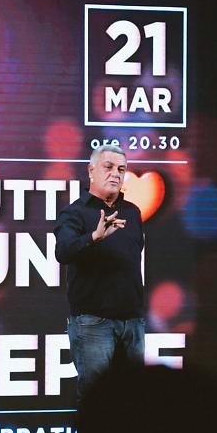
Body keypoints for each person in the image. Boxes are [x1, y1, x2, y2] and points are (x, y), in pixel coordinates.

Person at [54, 144, 145, 403]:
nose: (116, 174)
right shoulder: (75, 212)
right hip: (93, 322)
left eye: (121, 169)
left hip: (132, 321)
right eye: (108, 167)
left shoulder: (132, 212)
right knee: (98, 401)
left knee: (135, 399)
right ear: (91, 170)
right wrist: (94, 237)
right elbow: (63, 251)